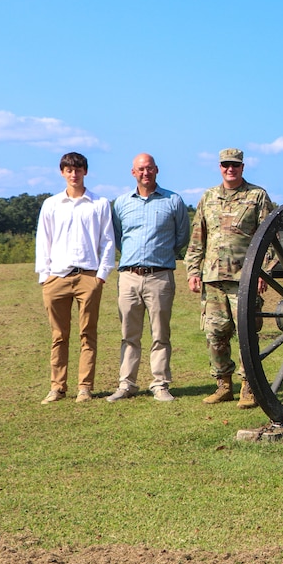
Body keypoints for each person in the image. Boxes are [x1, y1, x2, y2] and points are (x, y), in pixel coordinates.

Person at [184, 148, 275, 408]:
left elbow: (269, 237)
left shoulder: (257, 196)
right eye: (225, 165)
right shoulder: (209, 197)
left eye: (235, 165)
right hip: (212, 278)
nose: (230, 169)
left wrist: (263, 271)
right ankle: (223, 384)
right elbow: (198, 237)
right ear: (220, 167)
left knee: (247, 334)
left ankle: (250, 387)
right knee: (215, 334)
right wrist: (193, 271)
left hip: (244, 277)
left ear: (242, 167)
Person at [108, 153, 190, 403]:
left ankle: (160, 384)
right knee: (129, 333)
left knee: (160, 334)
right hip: (129, 277)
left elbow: (182, 236)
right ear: (133, 172)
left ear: (157, 170)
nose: (146, 173)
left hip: (160, 276)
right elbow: (118, 236)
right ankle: (127, 384)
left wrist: (163, 255)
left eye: (150, 169)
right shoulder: (121, 203)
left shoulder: (173, 201)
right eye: (141, 169)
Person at [35, 152, 116, 404]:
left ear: (85, 172)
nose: (74, 174)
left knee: (87, 334)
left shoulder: (99, 203)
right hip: (56, 277)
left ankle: (85, 387)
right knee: (58, 335)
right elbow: (43, 240)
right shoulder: (51, 204)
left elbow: (108, 241)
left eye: (78, 169)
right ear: (62, 172)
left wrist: (101, 276)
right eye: (69, 169)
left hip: (88, 277)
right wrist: (44, 277)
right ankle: (57, 387)